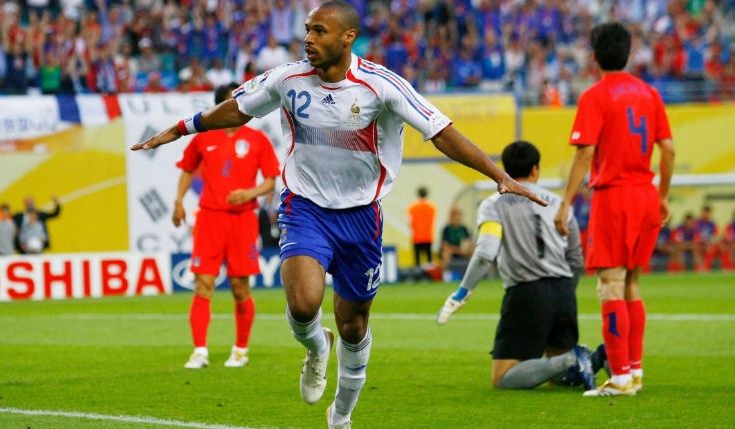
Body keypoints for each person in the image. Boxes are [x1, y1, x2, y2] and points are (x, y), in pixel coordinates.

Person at [132, 3, 545, 427]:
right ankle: (316, 347)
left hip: (361, 217)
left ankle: (341, 416)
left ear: (348, 37)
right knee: (303, 303)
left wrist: (498, 176)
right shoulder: (287, 79)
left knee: (354, 325)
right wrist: (182, 128)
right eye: (307, 30)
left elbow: (440, 133)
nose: (308, 39)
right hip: (305, 206)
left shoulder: (381, 85)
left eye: (320, 31)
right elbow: (238, 109)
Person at [554, 22, 675, 397]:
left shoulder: (595, 96)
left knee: (609, 285)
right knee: (632, 284)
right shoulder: (650, 93)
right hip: (646, 194)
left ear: (593, 56)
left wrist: (565, 202)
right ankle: (634, 372)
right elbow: (669, 149)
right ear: (628, 53)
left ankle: (620, 378)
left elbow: (585, 152)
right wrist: (663, 196)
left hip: (615, 197)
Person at [436, 141, 594, 391]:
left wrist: (462, 292)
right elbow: (576, 257)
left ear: (505, 170)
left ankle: (575, 358)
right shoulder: (559, 203)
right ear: (535, 169)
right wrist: (566, 291)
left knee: (503, 377)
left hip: (527, 293)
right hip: (563, 290)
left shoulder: (494, 204)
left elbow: (486, 252)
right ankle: (598, 357)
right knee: (557, 376)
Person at [174, 83, 280, 369]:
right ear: (221, 107)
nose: (240, 106)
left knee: (240, 287)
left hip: (242, 219)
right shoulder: (204, 137)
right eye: (233, 102)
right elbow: (186, 169)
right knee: (203, 284)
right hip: (209, 218)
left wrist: (249, 193)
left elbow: (270, 181)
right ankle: (199, 351)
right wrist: (178, 201)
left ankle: (240, 350)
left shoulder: (257, 139)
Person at [407, 186, 436, 267]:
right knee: (429, 258)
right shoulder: (432, 207)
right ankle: (430, 271)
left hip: (417, 236)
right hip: (428, 235)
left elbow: (410, 221)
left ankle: (417, 271)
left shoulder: (412, 207)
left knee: (417, 259)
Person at [440, 206, 473, 274]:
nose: (457, 217)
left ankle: (472, 273)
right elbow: (445, 246)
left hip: (463, 251)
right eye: (455, 215)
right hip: (452, 252)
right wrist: (458, 251)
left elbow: (468, 242)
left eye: (458, 215)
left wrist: (467, 249)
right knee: (446, 253)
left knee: (474, 252)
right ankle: (445, 274)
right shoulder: (447, 229)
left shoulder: (464, 229)